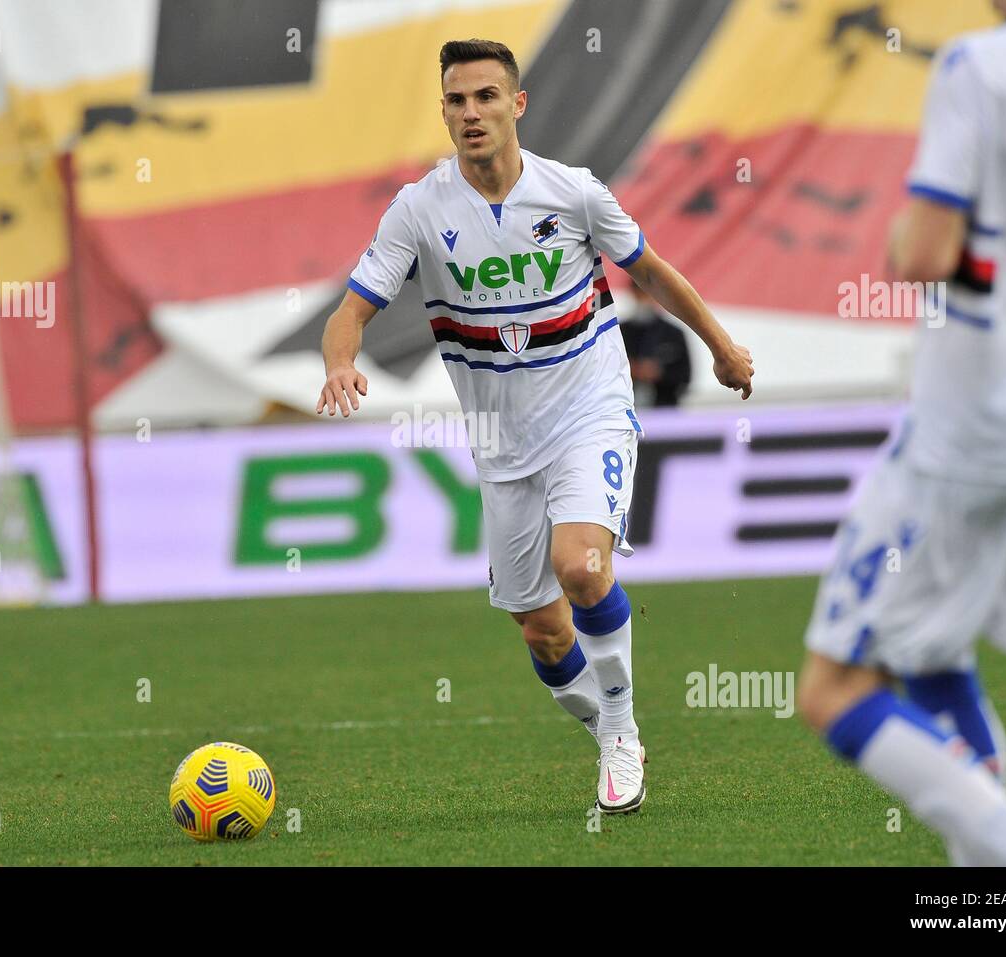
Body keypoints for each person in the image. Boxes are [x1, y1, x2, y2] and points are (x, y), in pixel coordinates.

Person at [315, 38, 753, 814]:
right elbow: (350, 311)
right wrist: (339, 365)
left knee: (582, 566)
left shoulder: (575, 193)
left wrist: (721, 348)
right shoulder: (419, 210)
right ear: (444, 113)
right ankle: (607, 725)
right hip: (501, 443)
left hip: (590, 409)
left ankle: (620, 729)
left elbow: (649, 270)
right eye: (456, 100)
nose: (471, 113)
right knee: (543, 631)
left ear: (517, 104)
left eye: (486, 97)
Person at [796, 0, 1006, 865]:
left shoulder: (980, 66)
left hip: (974, 420)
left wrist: (903, 238)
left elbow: (923, 252)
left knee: (835, 687)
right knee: (933, 659)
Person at [619, 281, 692, 407]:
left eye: (648, 293)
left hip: (664, 410)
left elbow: (685, 376)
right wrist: (628, 370)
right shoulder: (619, 331)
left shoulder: (673, 333)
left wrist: (659, 373)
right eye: (640, 293)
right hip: (625, 410)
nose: (644, 298)